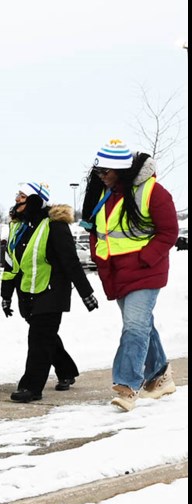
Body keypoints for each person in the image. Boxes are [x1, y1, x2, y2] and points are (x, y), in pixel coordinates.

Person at [80, 139, 178, 412]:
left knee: (134, 327)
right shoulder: (104, 194)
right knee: (142, 324)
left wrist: (145, 259)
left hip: (146, 271)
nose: (101, 176)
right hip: (117, 273)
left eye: (106, 172)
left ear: (121, 170)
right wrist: (101, 262)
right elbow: (98, 232)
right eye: (98, 172)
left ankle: (127, 385)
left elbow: (169, 232)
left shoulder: (153, 193)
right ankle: (160, 375)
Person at [1, 182, 98, 403]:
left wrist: (86, 293)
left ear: (35, 200)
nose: (17, 200)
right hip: (27, 292)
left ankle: (31, 387)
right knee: (46, 338)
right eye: (17, 195)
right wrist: (6, 295)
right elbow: (10, 264)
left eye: (22, 196)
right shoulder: (19, 227)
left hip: (53, 291)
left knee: (38, 339)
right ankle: (67, 370)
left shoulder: (55, 225)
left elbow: (70, 261)